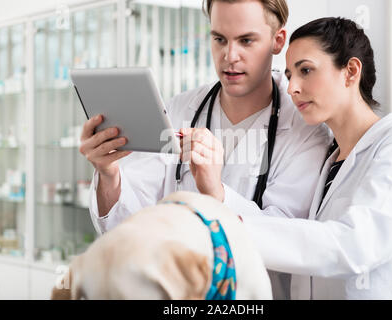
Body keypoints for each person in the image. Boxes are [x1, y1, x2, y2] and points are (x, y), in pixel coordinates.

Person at [79, 0, 330, 299]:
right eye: (219, 39)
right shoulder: (180, 108)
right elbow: (130, 225)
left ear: (277, 42)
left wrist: (216, 192)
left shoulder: (306, 129)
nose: (229, 56)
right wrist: (109, 174)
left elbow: (287, 241)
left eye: (246, 40)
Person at [239, 17, 392, 299]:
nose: (292, 87)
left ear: (350, 71)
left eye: (305, 70)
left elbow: (352, 245)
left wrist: (232, 230)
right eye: (289, 75)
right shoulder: (329, 161)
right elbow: (303, 244)